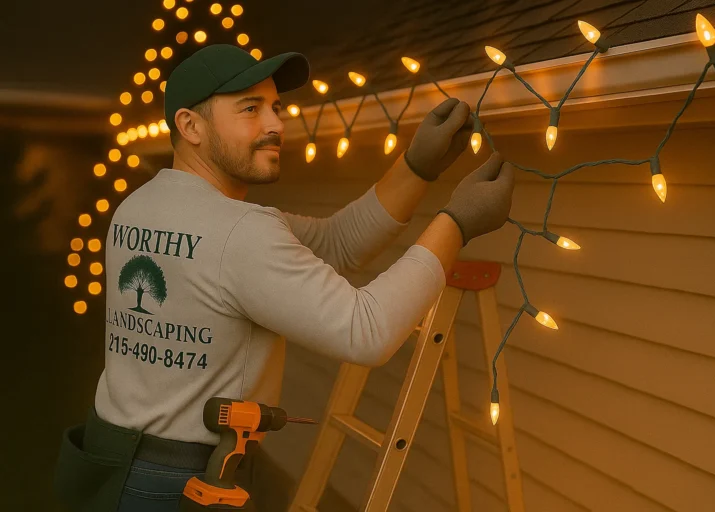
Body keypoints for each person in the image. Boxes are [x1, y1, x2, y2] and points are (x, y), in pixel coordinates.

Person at [53, 44, 514, 512]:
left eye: (276, 107)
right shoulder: (241, 233)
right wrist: (457, 223)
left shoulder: (136, 207)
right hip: (181, 483)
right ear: (190, 126)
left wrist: (416, 168)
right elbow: (367, 330)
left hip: (110, 459)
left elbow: (337, 242)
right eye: (250, 109)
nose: (275, 124)